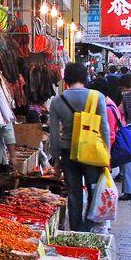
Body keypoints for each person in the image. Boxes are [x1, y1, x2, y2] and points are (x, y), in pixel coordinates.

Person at [48, 62, 110, 231]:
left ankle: (75, 230)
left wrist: (56, 159)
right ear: (85, 77)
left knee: (74, 193)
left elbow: (54, 134)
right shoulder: (97, 97)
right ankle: (89, 228)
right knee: (94, 190)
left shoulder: (57, 101)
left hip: (68, 152)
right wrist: (107, 155)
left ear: (65, 79)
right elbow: (104, 128)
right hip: (92, 151)